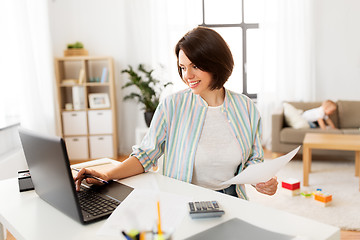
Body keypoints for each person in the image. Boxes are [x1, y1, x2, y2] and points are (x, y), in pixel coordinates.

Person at [74, 27, 278, 199]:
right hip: (182, 198)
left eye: (195, 66)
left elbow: (254, 159)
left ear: (216, 63)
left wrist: (261, 181)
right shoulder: (172, 106)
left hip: (232, 198)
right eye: (182, 67)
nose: (187, 75)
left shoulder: (246, 108)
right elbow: (145, 156)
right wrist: (106, 174)